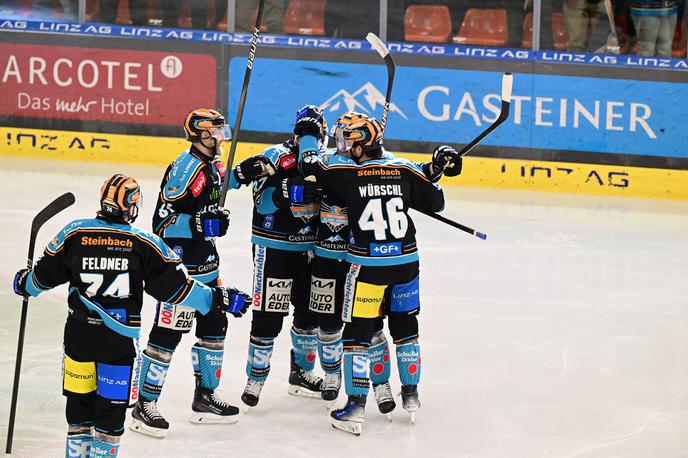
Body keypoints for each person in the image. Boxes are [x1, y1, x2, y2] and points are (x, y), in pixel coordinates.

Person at [12, 174, 250, 458]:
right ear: (130, 207)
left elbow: (38, 281)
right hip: (117, 343)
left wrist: (23, 282)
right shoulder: (143, 243)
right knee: (109, 420)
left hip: (78, 339)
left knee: (79, 414)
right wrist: (219, 298)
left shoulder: (74, 233)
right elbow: (178, 291)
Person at [297, 117, 462, 435]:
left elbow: (310, 168)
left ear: (360, 144)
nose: (343, 146)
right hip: (405, 264)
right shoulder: (402, 168)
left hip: (368, 269)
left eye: (347, 141)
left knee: (356, 334)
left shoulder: (349, 173)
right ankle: (411, 394)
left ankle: (356, 406)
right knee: (405, 327)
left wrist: (306, 140)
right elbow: (436, 201)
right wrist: (436, 168)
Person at [130, 109, 237, 437]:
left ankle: (205, 398)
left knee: (215, 323)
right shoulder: (185, 168)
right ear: (203, 135)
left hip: (207, 264)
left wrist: (211, 220)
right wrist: (199, 223)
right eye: (216, 131)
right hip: (180, 271)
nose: (222, 136)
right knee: (167, 334)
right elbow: (161, 223)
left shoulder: (215, 165)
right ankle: (144, 404)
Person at [226, 105, 329, 408]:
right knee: (268, 316)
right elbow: (263, 203)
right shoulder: (275, 156)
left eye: (316, 132)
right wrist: (287, 193)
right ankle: (255, 378)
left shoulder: (326, 161)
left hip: (312, 249)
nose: (310, 138)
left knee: (309, 315)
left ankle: (302, 373)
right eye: (305, 132)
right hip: (274, 248)